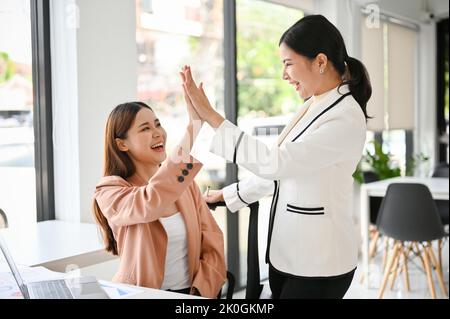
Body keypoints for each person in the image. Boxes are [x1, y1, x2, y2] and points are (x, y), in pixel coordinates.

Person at [181, 15, 371, 299]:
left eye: (288, 63)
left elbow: (276, 162)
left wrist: (211, 116)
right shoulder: (316, 104)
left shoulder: (345, 117)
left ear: (320, 62)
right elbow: (286, 171)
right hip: (290, 257)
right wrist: (230, 194)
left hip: (320, 263)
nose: (284, 75)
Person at [92, 86, 226, 298]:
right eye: (145, 128)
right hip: (140, 294)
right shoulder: (109, 190)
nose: (157, 133)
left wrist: (201, 292)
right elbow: (150, 202)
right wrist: (193, 128)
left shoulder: (185, 185)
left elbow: (212, 241)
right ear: (122, 144)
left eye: (157, 124)